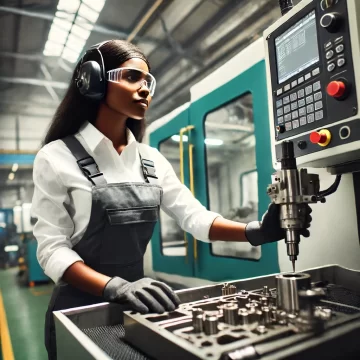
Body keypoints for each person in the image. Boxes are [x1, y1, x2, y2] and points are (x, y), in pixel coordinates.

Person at [31, 40, 312, 359]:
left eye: (148, 81)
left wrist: (254, 232)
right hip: (78, 311)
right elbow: (52, 248)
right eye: (133, 77)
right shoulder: (55, 158)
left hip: (139, 305)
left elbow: (194, 218)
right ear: (93, 79)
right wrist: (117, 287)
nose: (144, 89)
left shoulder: (150, 159)